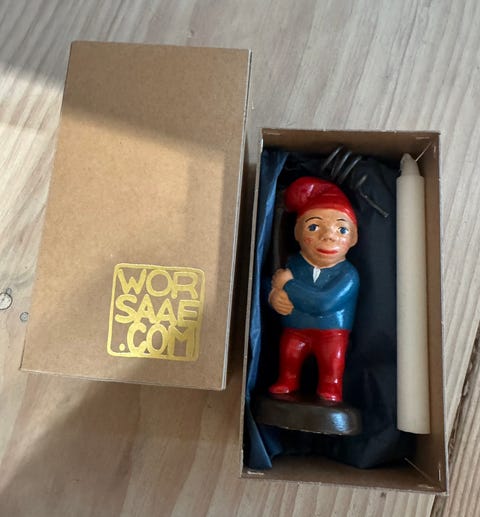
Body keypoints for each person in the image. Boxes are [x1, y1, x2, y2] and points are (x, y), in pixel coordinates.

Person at [268, 177, 359, 403]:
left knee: (331, 365)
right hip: (295, 329)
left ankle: (331, 389)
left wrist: (287, 285)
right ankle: (288, 381)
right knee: (289, 356)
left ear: (353, 238)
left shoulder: (348, 274)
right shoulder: (294, 264)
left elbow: (323, 303)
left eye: (341, 229)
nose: (328, 236)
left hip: (331, 333)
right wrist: (275, 296)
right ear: (298, 232)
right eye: (314, 227)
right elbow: (273, 285)